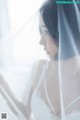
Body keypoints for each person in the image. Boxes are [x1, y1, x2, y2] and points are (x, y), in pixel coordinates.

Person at [0, 0, 80, 120]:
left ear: (67, 30)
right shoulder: (39, 69)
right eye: (41, 31)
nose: (41, 42)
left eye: (46, 31)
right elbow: (24, 113)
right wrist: (4, 86)